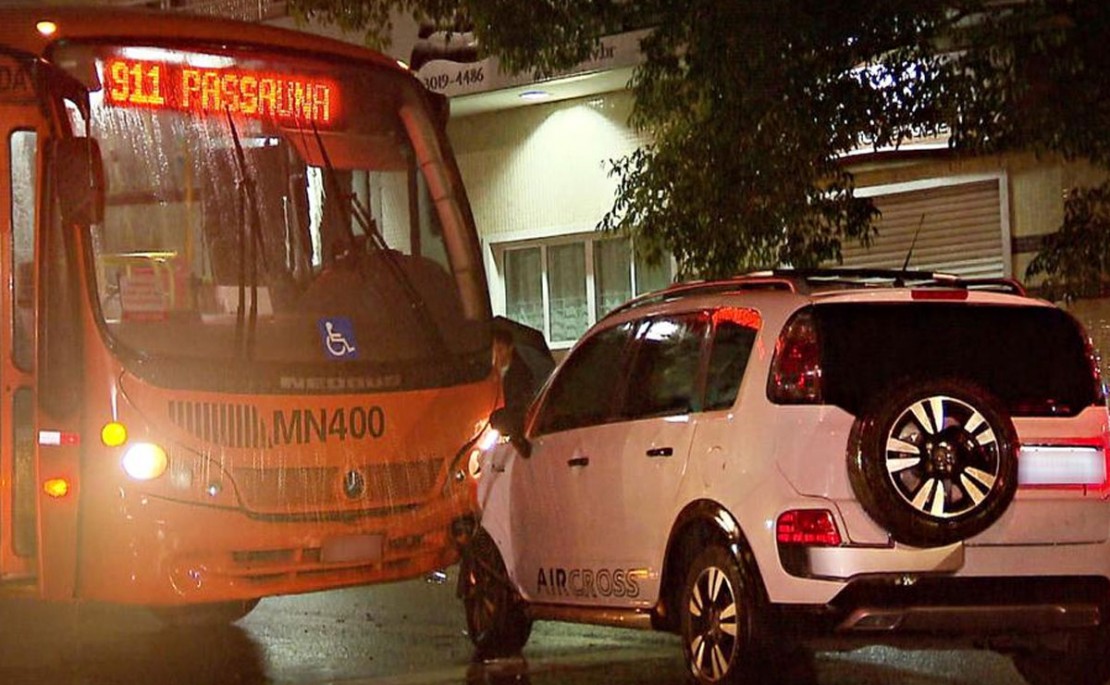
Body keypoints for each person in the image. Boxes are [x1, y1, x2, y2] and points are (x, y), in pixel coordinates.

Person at [491, 327, 536, 437]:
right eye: (494, 350)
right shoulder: (487, 372)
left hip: (510, 429)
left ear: (510, 348)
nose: (497, 355)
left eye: (500, 350)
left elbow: (519, 405)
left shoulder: (521, 374)